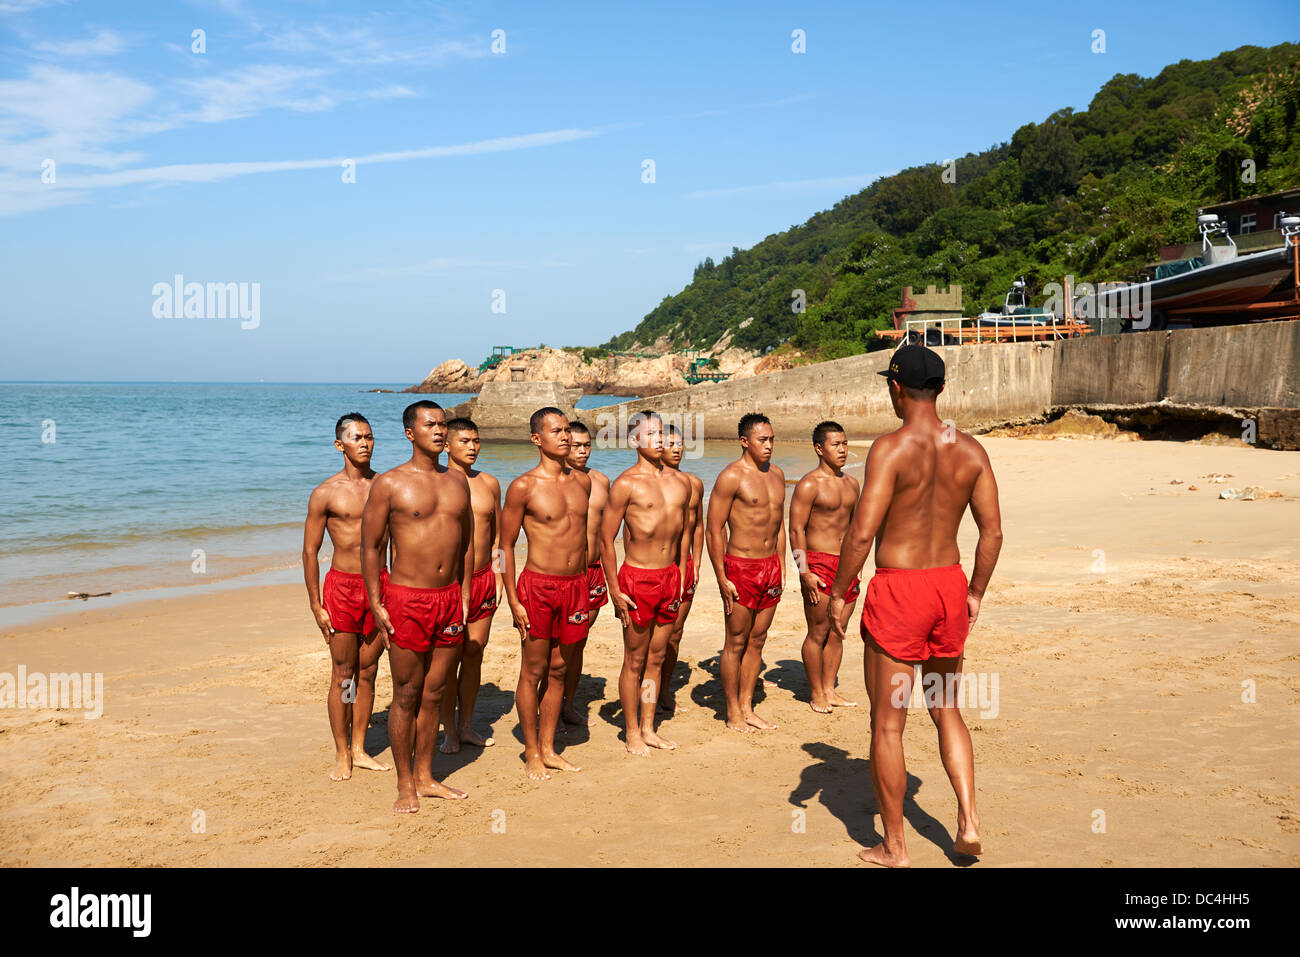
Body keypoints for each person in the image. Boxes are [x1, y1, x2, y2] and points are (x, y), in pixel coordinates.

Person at [827, 345, 1003, 866]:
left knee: (888, 723)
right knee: (946, 708)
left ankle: (895, 846)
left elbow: (862, 533)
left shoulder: (890, 449)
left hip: (901, 588)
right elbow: (992, 533)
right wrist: (975, 593)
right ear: (941, 389)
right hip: (949, 584)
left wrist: (839, 593)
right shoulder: (970, 450)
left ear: (896, 388)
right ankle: (968, 821)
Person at [361, 400, 474, 813]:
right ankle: (404, 782)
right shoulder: (390, 484)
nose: (440, 431)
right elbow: (370, 547)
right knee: (407, 693)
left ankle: (426, 777)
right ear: (411, 433)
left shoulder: (457, 482)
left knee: (435, 692)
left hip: (449, 598)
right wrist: (377, 601)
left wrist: (464, 594)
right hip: (407, 599)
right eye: (430, 425)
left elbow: (468, 543)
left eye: (443, 424)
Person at [501, 407, 592, 780]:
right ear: (537, 439)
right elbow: (504, 547)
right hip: (538, 586)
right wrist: (512, 598)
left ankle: (550, 748)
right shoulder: (523, 487)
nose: (566, 436)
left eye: (567, 429)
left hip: (576, 586)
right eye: (557, 431)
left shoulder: (582, 483)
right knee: (533, 669)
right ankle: (532, 752)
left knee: (559, 669)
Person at [302, 413, 393, 781]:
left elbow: (402, 540)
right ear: (340, 444)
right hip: (342, 588)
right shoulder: (326, 493)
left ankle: (359, 748)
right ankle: (342, 753)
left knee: (368, 671)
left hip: (380, 585)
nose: (365, 443)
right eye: (357, 438)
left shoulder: (386, 486)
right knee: (343, 674)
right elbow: (310, 552)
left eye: (369, 436)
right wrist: (315, 604)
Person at [600, 411, 691, 754]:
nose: (660, 440)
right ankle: (631, 731)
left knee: (657, 657)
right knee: (635, 660)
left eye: (662, 433)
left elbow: (684, 533)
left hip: (669, 578)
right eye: (651, 434)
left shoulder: (680, 482)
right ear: (634, 440)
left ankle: (649, 726)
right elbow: (605, 539)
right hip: (637, 579)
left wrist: (681, 572)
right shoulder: (626, 484)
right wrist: (614, 588)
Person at [705, 412, 786, 732]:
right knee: (736, 641)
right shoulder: (731, 477)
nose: (769, 445)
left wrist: (782, 565)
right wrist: (721, 576)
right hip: (741, 567)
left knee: (758, 639)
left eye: (772, 439)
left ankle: (747, 706)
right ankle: (732, 712)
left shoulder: (777, 474)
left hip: (771, 567)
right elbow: (714, 529)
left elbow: (779, 525)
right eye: (762, 440)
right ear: (744, 441)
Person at [438, 417, 502, 754]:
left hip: (483, 579)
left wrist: (499, 576)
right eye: (464, 441)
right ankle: (448, 729)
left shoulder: (489, 483)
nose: (473, 447)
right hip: (450, 585)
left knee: (474, 653)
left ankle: (465, 725)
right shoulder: (438, 483)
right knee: (449, 659)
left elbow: (499, 540)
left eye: (476, 440)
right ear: (447, 445)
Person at [789, 421, 861, 713]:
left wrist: (857, 564)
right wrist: (803, 571)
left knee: (837, 631)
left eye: (844, 443)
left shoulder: (852, 484)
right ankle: (816, 692)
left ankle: (830, 690)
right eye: (835, 444)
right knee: (818, 632)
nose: (842, 450)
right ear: (819, 449)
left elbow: (855, 529)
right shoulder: (809, 484)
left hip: (846, 566)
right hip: (819, 563)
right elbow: (796, 529)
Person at [561, 420, 610, 728]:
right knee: (556, 647)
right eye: (576, 445)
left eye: (587, 445)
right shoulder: (556, 482)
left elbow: (609, 533)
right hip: (564, 575)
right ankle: (547, 705)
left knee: (578, 642)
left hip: (593, 572)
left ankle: (568, 704)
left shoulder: (602, 481)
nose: (582, 451)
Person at [659, 422, 703, 714]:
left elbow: (698, 526)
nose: (677, 449)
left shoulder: (694, 483)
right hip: (656, 567)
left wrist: (696, 563)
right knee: (652, 638)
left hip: (684, 566)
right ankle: (644, 692)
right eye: (670, 444)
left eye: (680, 443)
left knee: (675, 632)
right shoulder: (650, 483)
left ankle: (663, 691)